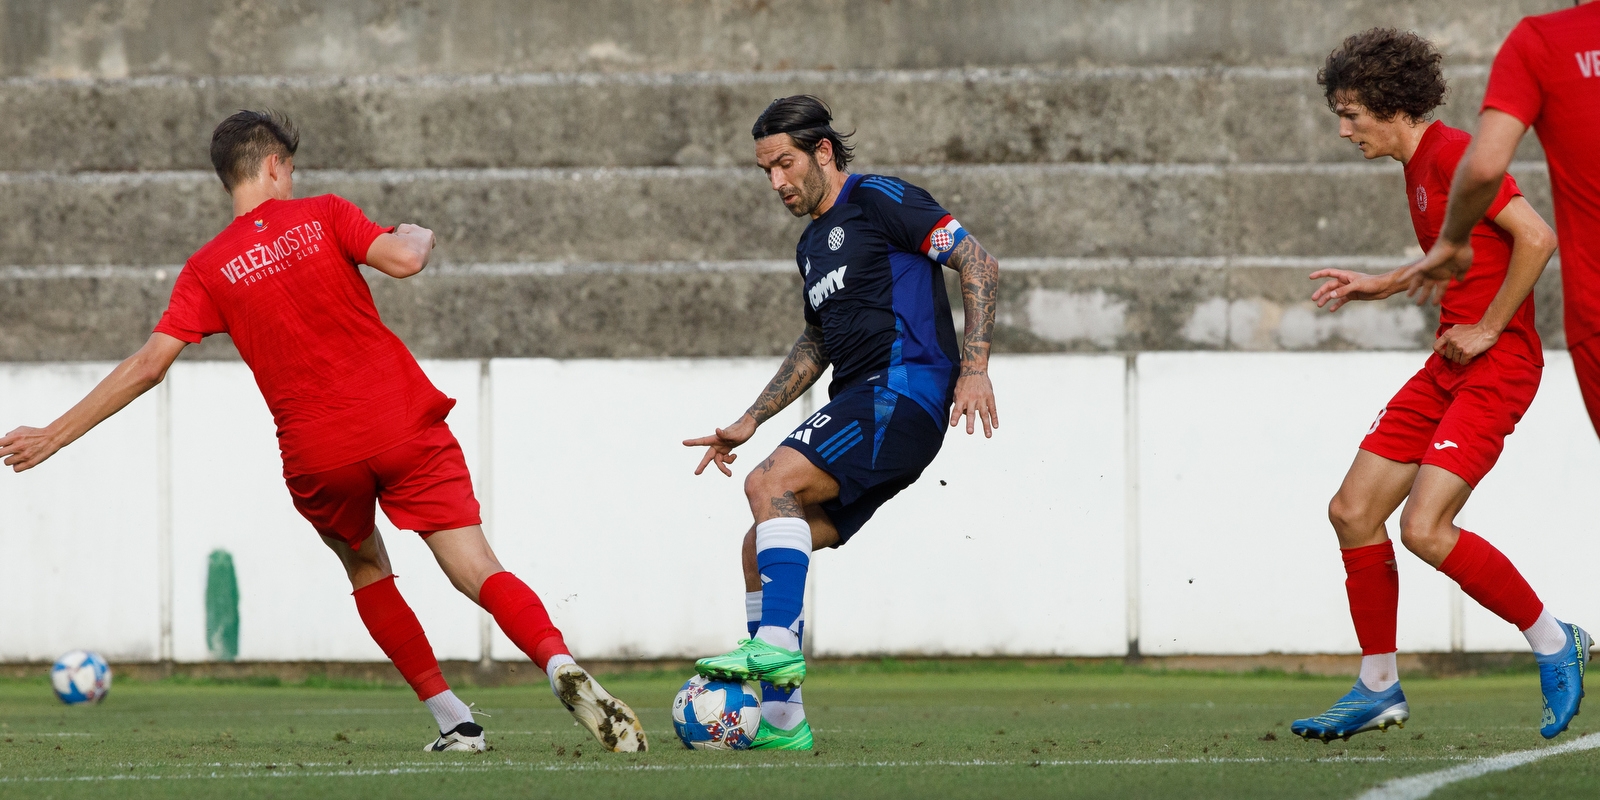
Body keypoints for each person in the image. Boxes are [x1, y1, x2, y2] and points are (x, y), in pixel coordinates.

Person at [0, 110, 646, 754]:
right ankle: (557, 660)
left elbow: (148, 366)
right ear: (275, 165)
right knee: (476, 566)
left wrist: (52, 435)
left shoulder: (208, 267)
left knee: (366, 566)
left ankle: (455, 721)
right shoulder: (324, 213)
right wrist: (417, 232)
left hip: (318, 449)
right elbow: (403, 261)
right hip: (400, 420)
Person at [682, 95, 1001, 750]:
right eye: (765, 171)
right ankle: (782, 723)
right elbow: (816, 343)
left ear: (822, 151)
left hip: (903, 391)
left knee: (769, 483)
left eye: (785, 164)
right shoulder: (811, 248)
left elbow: (978, 261)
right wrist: (749, 419)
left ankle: (773, 648)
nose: (777, 182)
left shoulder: (882, 199)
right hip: (863, 400)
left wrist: (974, 368)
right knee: (758, 546)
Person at [1291, 29, 1583, 742]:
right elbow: (1458, 260)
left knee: (1423, 528)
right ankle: (1378, 685)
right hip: (1448, 366)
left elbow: (1537, 238)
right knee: (1353, 511)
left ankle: (1554, 640)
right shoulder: (1418, 167)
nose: (1344, 128)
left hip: (1496, 367)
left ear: (1392, 105)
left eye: (1354, 112)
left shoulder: (1453, 154)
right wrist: (1380, 284)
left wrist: (1487, 328)